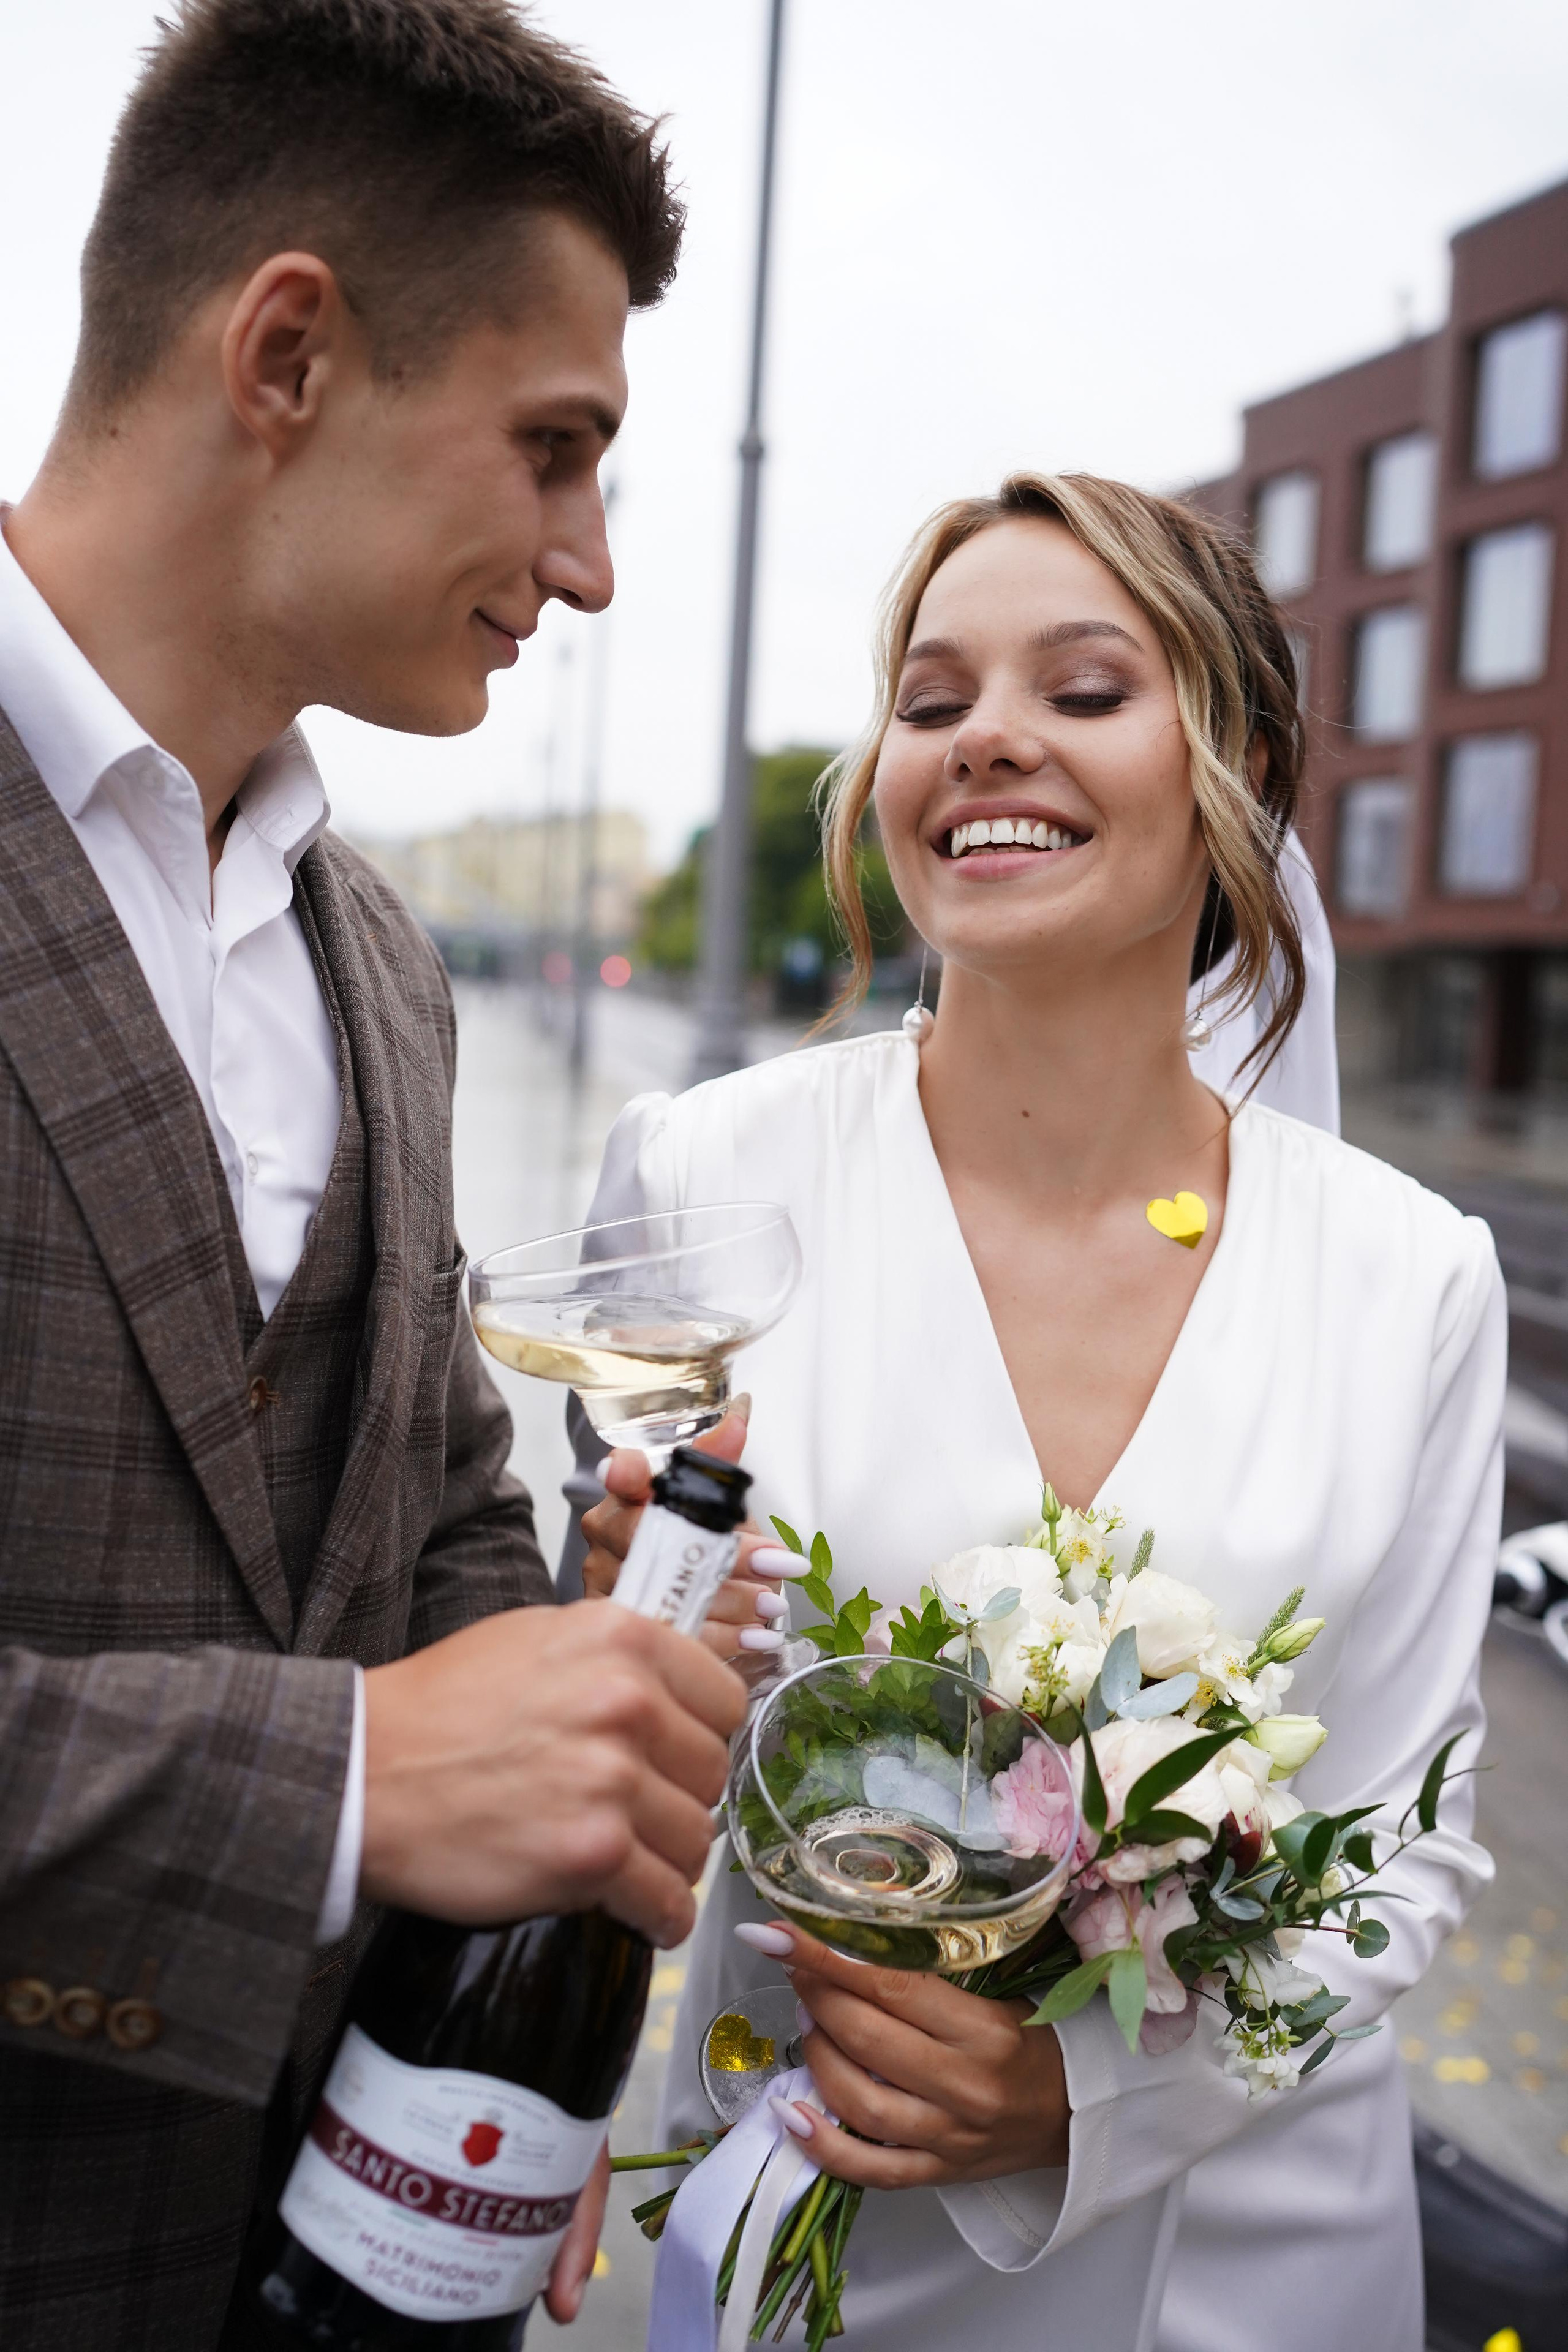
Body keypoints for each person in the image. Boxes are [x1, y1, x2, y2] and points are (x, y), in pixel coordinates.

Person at [0, 6, 746, 2346]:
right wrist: (347, 1780)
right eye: (555, 451)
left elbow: (416, 1510)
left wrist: (553, 1682)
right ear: (291, 350)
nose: (594, 563)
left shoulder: (392, 969)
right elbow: (362, 1748)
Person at [576, 474, 1502, 2351]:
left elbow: (1410, 1835)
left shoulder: (1415, 1278)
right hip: (807, 2215)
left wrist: (1086, 2099)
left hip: (1254, 2280)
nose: (986, 735)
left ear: (1232, 760)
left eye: (1083, 690)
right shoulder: (698, 1180)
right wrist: (611, 1621)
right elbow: (589, 1734)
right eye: (930, 704)